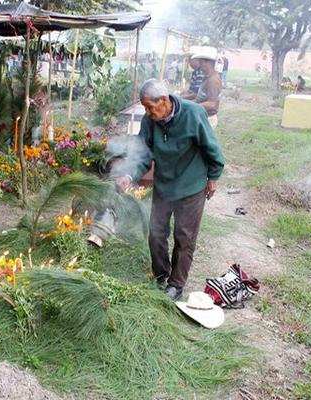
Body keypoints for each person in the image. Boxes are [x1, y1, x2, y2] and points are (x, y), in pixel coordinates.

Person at [115, 79, 225, 300]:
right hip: (164, 185)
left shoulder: (193, 114)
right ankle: (160, 274)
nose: (147, 112)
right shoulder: (150, 121)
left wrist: (213, 176)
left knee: (184, 237)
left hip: (191, 186)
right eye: (144, 107)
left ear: (164, 100)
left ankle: (176, 284)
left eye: (149, 106)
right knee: (156, 234)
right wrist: (129, 175)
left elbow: (211, 148)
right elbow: (142, 155)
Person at [192, 47, 223, 128]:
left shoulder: (213, 80)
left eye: (201, 63)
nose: (200, 66)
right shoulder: (207, 77)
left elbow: (212, 103)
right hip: (203, 117)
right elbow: (200, 97)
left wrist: (192, 106)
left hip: (208, 119)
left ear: (208, 63)